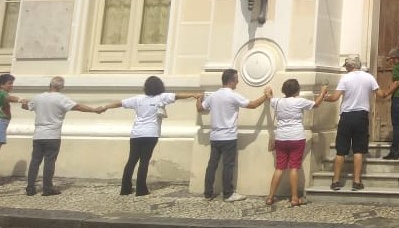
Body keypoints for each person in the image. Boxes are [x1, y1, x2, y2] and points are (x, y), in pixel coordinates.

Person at [98, 76, 202, 197]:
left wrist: (104, 107)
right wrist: (194, 94)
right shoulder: (161, 97)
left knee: (131, 160)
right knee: (144, 161)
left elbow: (119, 103)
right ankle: (141, 189)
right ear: (160, 87)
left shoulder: (138, 99)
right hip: (151, 134)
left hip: (136, 134)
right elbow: (178, 95)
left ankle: (125, 188)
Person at [196, 69, 272, 202]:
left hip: (215, 137)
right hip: (228, 137)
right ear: (231, 81)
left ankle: (208, 193)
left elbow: (200, 108)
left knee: (212, 165)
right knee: (228, 165)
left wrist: (199, 98)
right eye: (236, 79)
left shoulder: (213, 96)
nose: (238, 81)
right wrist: (266, 96)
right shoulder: (232, 95)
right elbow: (253, 105)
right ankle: (228, 194)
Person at [22, 76, 103, 196]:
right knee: (49, 161)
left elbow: (26, 106)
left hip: (38, 134)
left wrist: (23, 102)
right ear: (62, 87)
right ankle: (47, 188)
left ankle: (30, 188)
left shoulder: (38, 97)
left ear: (49, 85)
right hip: (53, 135)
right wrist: (94, 110)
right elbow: (77, 107)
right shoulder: (61, 99)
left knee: (35, 161)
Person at [325, 55, 387, 191]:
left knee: (341, 151)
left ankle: (335, 181)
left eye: (346, 66)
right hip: (361, 116)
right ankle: (357, 181)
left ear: (350, 66)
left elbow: (335, 97)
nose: (346, 68)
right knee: (358, 150)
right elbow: (381, 94)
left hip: (346, 116)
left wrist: (325, 97)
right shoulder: (369, 77)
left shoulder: (345, 78)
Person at [265, 79, 328, 206]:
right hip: (296, 137)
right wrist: (322, 93)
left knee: (279, 168)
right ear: (297, 90)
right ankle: (294, 198)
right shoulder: (300, 101)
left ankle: (270, 197)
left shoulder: (277, 101)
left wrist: (269, 93)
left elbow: (270, 99)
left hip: (281, 138)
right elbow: (316, 104)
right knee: (294, 167)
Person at [0, 73, 23, 154]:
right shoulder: (2, 93)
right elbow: (9, 98)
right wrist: (20, 100)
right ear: (1, 85)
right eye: (9, 83)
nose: (11, 85)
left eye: (12, 83)